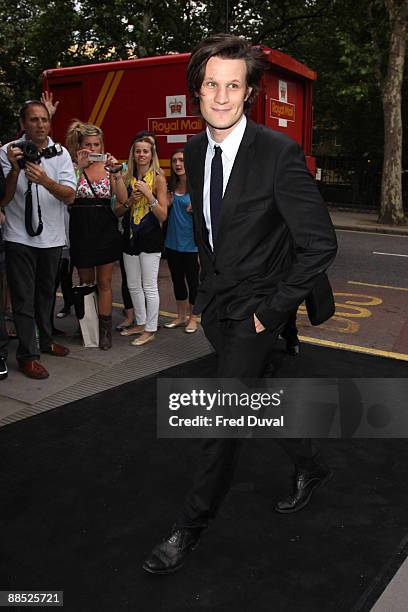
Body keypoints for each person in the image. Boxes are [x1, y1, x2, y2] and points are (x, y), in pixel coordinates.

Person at [143, 34, 338, 574]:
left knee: (220, 415)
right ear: (197, 90)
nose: (222, 96)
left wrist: (270, 312)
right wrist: (206, 293)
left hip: (258, 308)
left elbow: (320, 243)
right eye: (212, 84)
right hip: (219, 305)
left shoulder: (278, 153)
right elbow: (209, 228)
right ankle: (311, 464)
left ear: (249, 91)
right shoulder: (194, 149)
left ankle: (189, 525)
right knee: (256, 394)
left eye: (233, 85)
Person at [0, 100, 76, 379]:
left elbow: (70, 195)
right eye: (33, 120)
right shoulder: (7, 153)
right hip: (19, 237)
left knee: (46, 295)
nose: (40, 125)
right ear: (23, 124)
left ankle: (45, 341)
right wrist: (15, 170)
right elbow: (4, 200)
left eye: (44, 119)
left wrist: (44, 180)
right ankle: (27, 355)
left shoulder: (61, 154)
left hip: (53, 238)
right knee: (23, 299)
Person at [66, 120, 128, 350]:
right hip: (81, 228)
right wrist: (78, 168)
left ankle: (104, 332)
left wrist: (117, 174)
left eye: (96, 144)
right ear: (79, 146)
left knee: (104, 282)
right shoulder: (72, 167)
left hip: (104, 228)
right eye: (88, 145)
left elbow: (122, 199)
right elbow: (69, 197)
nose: (93, 149)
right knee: (85, 282)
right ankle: (87, 326)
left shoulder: (109, 168)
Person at [115, 133, 167, 347]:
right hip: (129, 238)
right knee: (133, 284)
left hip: (150, 238)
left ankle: (151, 329)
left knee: (149, 286)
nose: (141, 154)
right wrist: (130, 200)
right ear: (133, 154)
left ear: (151, 154)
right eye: (138, 151)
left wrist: (149, 195)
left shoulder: (159, 178)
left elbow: (163, 215)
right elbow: (118, 210)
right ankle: (140, 321)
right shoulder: (127, 177)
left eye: (146, 151)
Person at [163, 149, 199, 333]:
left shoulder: (197, 188)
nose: (178, 164)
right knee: (177, 281)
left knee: (193, 282)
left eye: (182, 160)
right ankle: (180, 316)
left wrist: (199, 207)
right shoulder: (169, 186)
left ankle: (193, 318)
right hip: (172, 243)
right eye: (175, 160)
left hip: (192, 245)